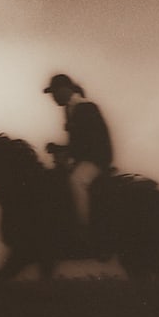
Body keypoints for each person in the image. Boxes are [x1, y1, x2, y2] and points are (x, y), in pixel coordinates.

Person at [43, 73, 114, 252]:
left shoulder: (86, 108)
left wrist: (65, 151)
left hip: (96, 159)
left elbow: (91, 140)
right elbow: (78, 142)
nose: (53, 97)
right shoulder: (70, 109)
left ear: (65, 90)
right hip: (84, 158)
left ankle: (84, 230)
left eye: (54, 92)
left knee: (76, 181)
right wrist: (60, 148)